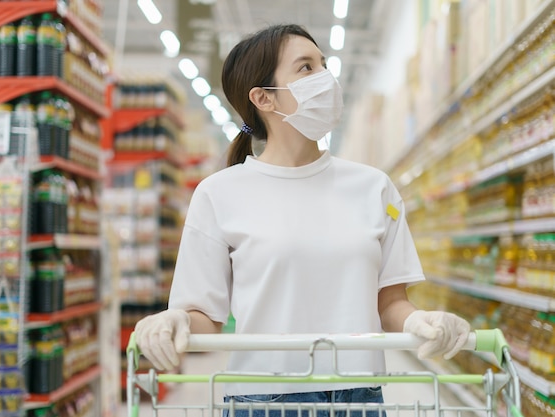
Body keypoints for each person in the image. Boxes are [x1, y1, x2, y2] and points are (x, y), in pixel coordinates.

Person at [133, 24, 471, 417]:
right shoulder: (219, 193)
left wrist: (421, 321)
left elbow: (390, 303)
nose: (326, 78)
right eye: (306, 68)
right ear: (263, 98)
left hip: (358, 397)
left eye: (324, 65)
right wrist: (175, 320)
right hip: (261, 399)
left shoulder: (374, 188)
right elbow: (205, 322)